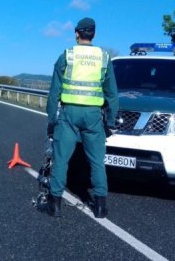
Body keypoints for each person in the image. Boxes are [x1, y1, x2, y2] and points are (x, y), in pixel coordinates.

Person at [45, 17, 119, 218]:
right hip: (93, 115)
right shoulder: (104, 57)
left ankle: (55, 204)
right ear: (93, 34)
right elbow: (112, 94)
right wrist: (110, 122)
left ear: (77, 33)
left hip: (69, 113)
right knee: (96, 161)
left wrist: (52, 120)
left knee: (61, 158)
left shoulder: (67, 55)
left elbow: (54, 93)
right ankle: (101, 206)